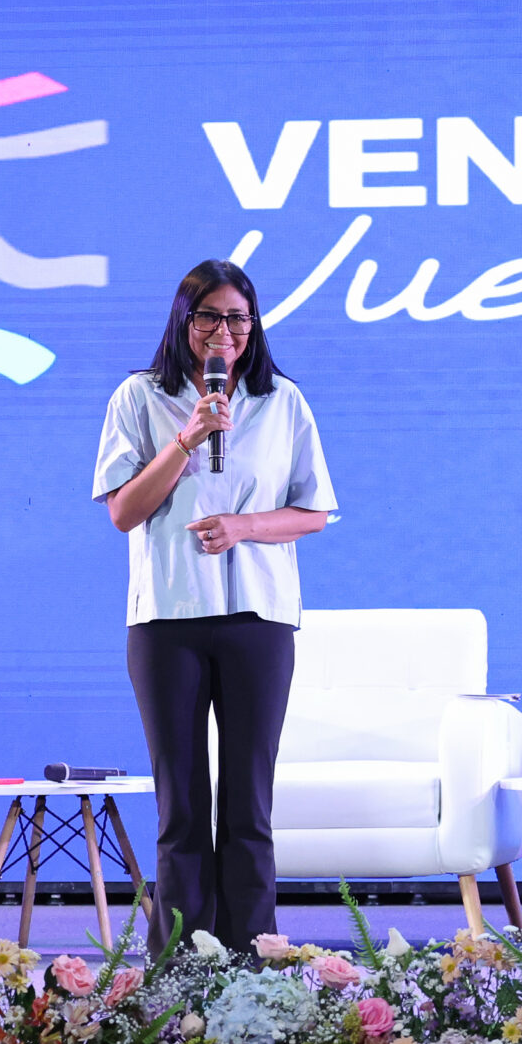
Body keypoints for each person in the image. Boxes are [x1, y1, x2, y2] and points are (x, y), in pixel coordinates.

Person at [95, 260, 336, 949]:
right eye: (209, 317)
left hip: (258, 619)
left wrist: (244, 525)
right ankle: (178, 964)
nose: (223, 333)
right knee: (181, 806)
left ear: (253, 326)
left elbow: (314, 511)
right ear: (184, 321)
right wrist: (188, 437)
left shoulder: (282, 401)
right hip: (166, 621)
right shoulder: (139, 397)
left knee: (248, 806)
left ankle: (256, 963)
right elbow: (124, 511)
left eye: (237, 318)